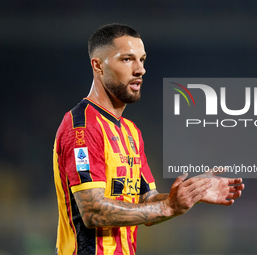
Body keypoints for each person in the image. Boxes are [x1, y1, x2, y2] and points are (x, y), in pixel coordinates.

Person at [53, 23, 245, 255]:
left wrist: (190, 193)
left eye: (142, 60)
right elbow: (93, 212)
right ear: (98, 66)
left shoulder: (131, 131)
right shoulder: (82, 126)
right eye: (127, 59)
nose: (140, 69)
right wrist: (167, 207)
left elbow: (148, 202)